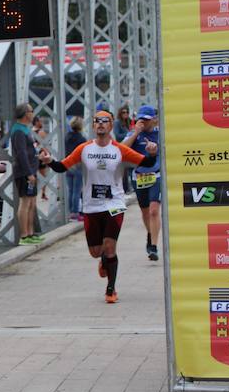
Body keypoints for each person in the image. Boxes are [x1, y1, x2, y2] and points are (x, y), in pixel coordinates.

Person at [39, 110, 157, 303]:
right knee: (96, 251)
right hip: (92, 205)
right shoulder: (84, 149)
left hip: (114, 203)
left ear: (111, 125)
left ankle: (111, 290)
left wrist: (152, 153)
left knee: (110, 246)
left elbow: (147, 162)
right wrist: (50, 161)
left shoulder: (119, 149)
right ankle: (103, 260)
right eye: (97, 121)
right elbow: (62, 166)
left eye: (105, 121)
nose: (101, 124)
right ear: (93, 126)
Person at [121, 105, 161, 261]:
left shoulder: (160, 134)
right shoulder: (134, 134)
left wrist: (156, 151)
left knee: (153, 210)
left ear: (154, 120)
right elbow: (121, 149)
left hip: (156, 176)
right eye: (141, 119)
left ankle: (154, 246)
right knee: (145, 212)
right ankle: (150, 234)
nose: (143, 122)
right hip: (139, 176)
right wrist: (136, 132)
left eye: (146, 120)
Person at [10, 103, 43, 245]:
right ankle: (24, 236)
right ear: (25, 114)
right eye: (31, 111)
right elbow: (21, 153)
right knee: (25, 202)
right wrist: (29, 173)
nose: (33, 113)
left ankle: (30, 233)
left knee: (32, 202)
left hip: (30, 171)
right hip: (25, 172)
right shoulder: (18, 131)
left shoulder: (24, 129)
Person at [64, 117, 87, 221]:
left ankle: (71, 212)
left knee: (71, 190)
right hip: (78, 166)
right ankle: (76, 212)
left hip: (68, 165)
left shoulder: (66, 137)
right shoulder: (82, 139)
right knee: (77, 191)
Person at [113, 106, 133, 192]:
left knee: (131, 167)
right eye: (123, 112)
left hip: (130, 148)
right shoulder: (117, 123)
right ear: (120, 114)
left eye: (127, 112)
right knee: (123, 169)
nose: (125, 114)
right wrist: (128, 135)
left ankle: (130, 186)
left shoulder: (129, 122)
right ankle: (125, 188)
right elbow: (117, 135)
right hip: (121, 148)